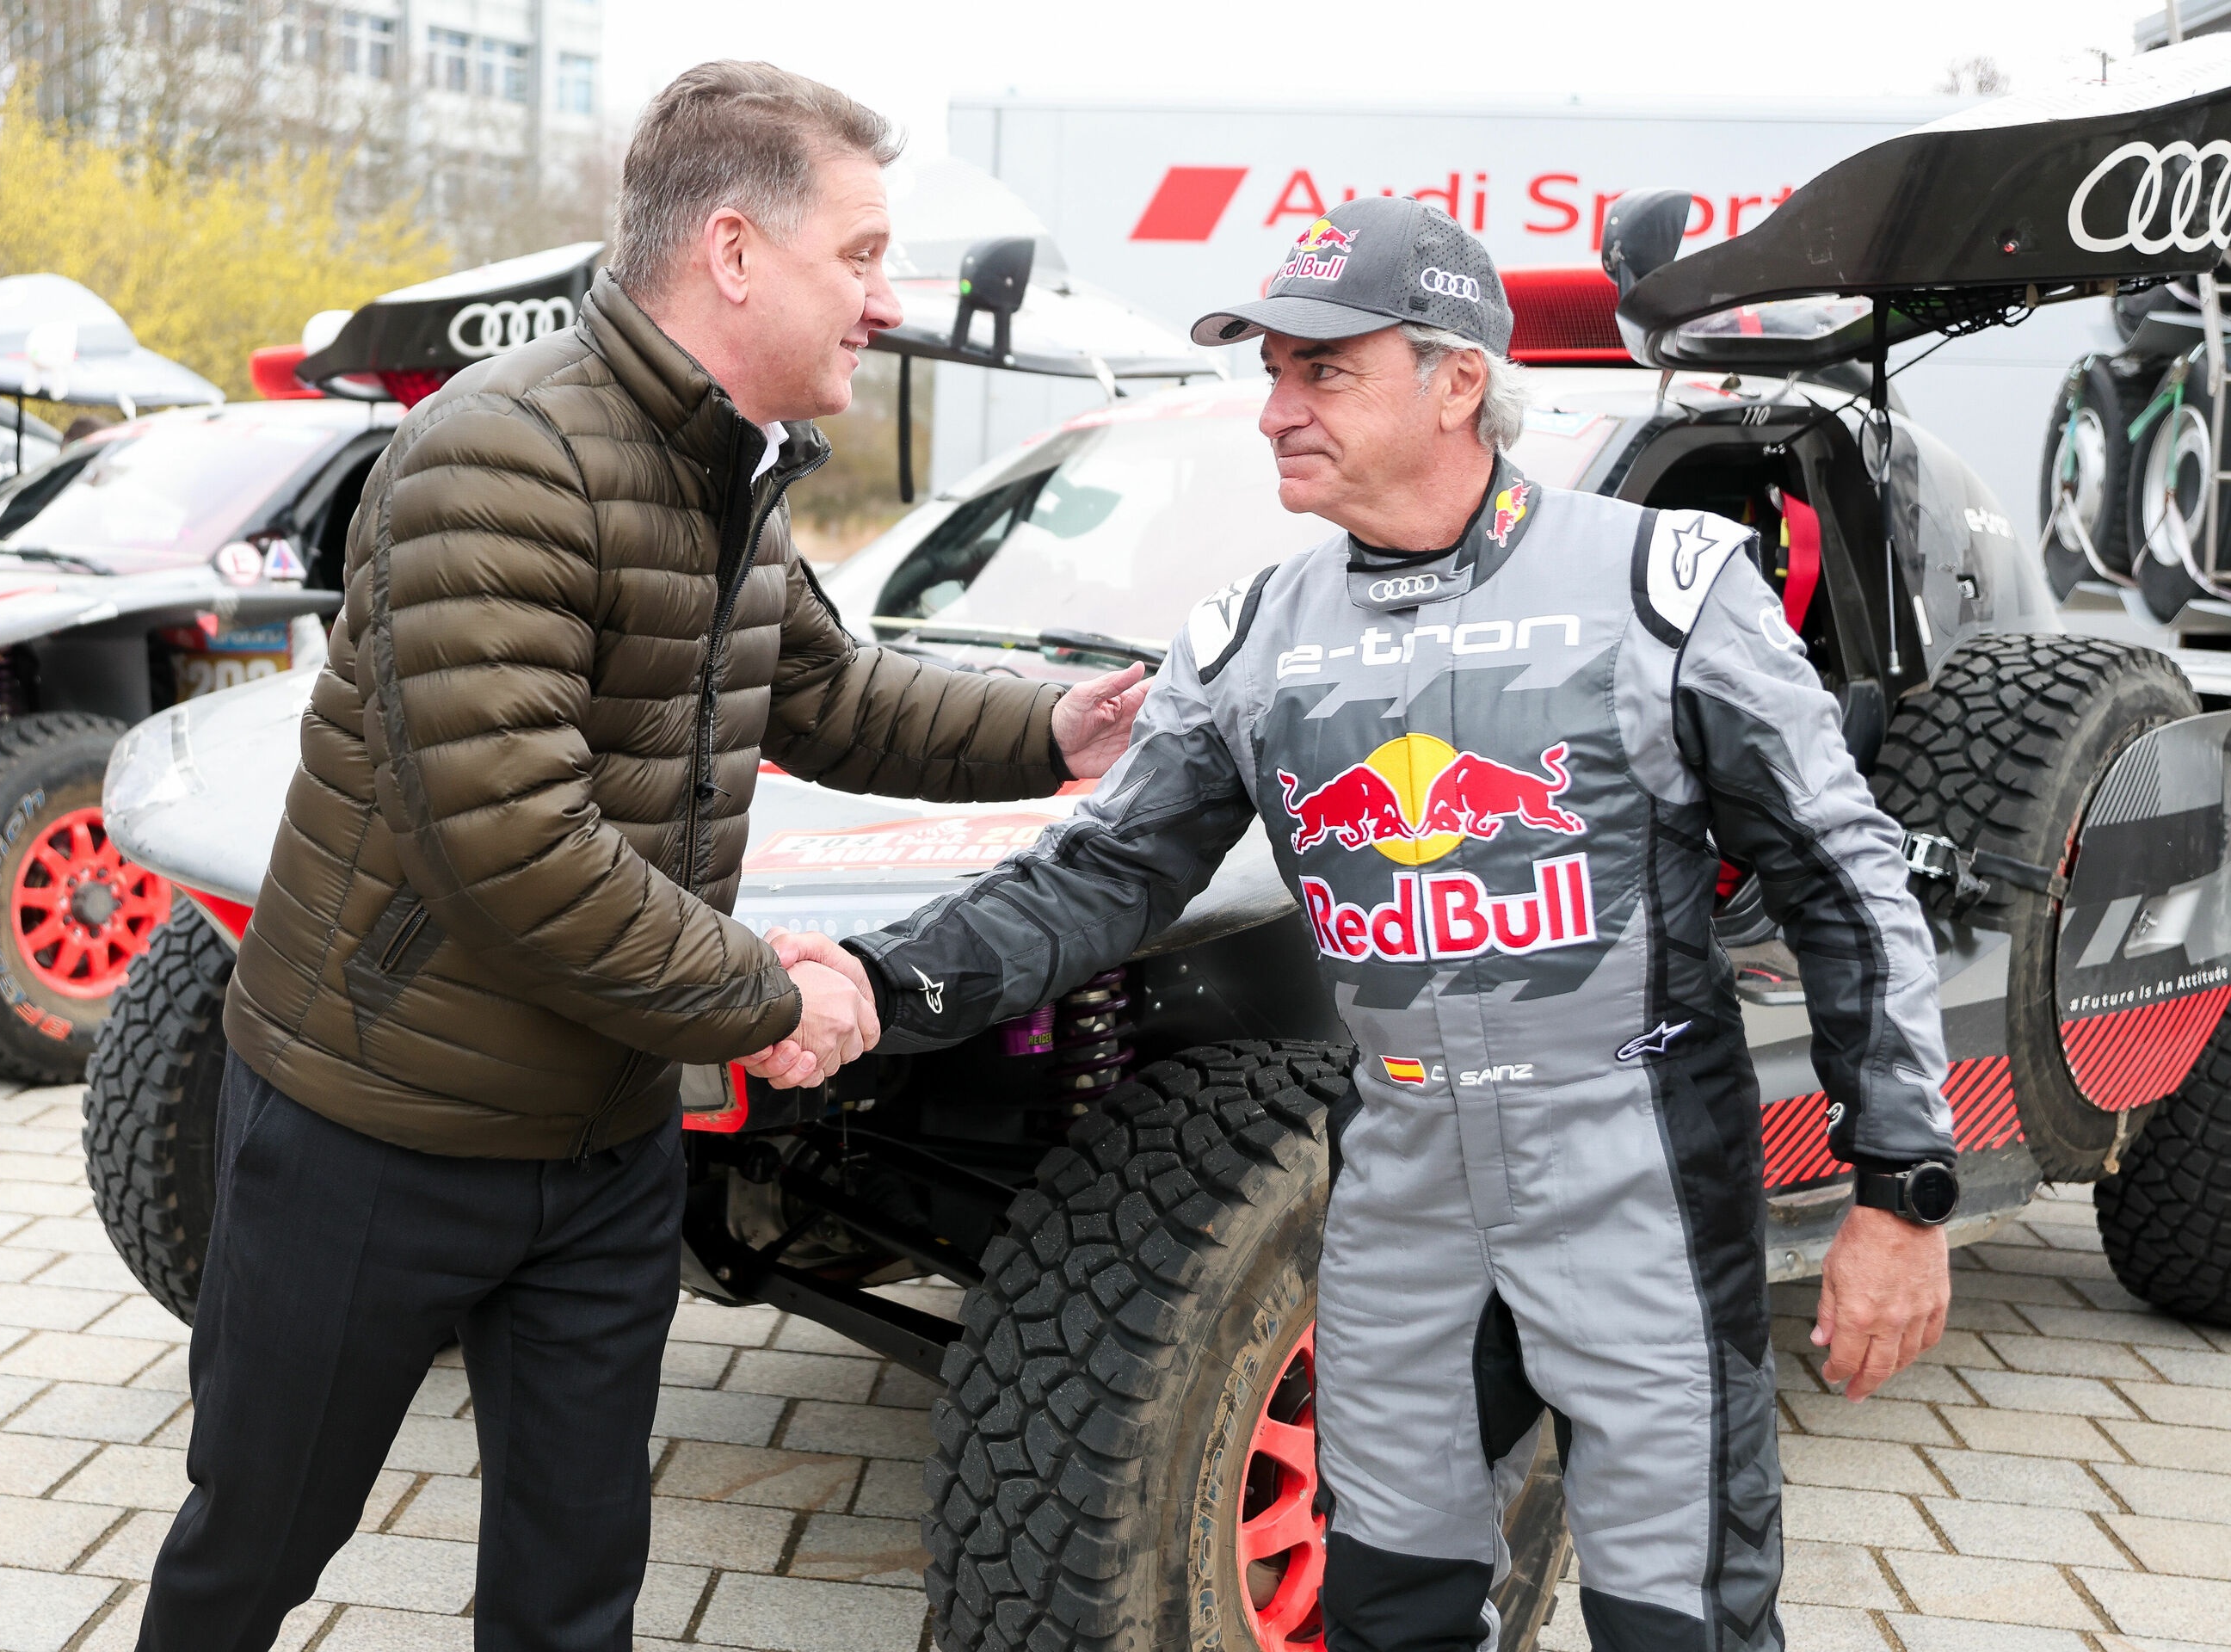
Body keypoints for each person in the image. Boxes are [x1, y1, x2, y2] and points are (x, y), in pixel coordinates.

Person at [763, 196, 1956, 1651]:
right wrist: (881, 981)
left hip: (1635, 1179)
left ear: (1458, 382)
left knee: (1679, 1621)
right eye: (1271, 371)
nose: (1276, 410)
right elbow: (1104, 873)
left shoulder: (1662, 589)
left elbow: (1844, 884)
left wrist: (1902, 1194)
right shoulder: (1254, 634)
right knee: (1390, 1615)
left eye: (1323, 371)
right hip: (1399, 1192)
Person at [136, 61, 1149, 1652]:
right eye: (863, 254)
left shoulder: (737, 466)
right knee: (257, 1544)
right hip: (376, 1124)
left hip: (605, 1139)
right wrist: (764, 1000)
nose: (886, 301)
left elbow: (823, 692)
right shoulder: (499, 459)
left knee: (575, 1582)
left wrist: (1055, 733)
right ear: (736, 254)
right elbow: (514, 844)